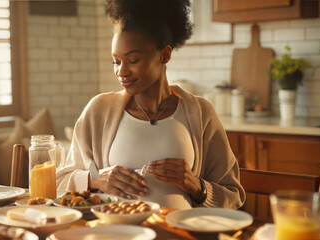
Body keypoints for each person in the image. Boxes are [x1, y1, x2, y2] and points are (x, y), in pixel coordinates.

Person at [56, 0, 245, 209]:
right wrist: (95, 180)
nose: (122, 71)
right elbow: (59, 182)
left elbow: (233, 195)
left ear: (165, 55)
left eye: (133, 60)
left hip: (180, 232)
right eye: (116, 61)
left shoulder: (200, 113)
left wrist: (196, 186)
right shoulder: (98, 111)